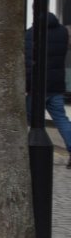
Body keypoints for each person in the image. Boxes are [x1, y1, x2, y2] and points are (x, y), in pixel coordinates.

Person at [25, 11, 71, 166]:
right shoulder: (63, 32)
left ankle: (24, 153)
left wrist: (26, 86)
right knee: (61, 119)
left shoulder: (32, 33)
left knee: (25, 118)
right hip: (56, 84)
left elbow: (28, 63)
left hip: (36, 86)